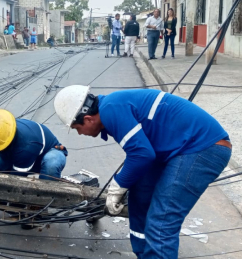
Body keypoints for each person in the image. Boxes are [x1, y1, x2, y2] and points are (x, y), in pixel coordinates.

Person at [54, 85, 231, 259]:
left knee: (162, 221)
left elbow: (141, 155)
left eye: (77, 128)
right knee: (138, 196)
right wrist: (125, 185)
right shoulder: (111, 107)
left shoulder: (110, 109)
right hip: (178, 150)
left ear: (88, 119)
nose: (79, 134)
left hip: (203, 149)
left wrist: (117, 187)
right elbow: (141, 155)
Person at [0, 109, 67, 181]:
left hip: (46, 153)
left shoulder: (26, 146)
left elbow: (16, 180)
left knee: (52, 164)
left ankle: (45, 198)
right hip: (19, 154)